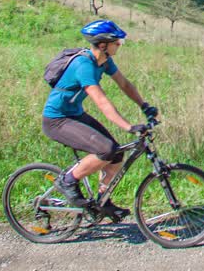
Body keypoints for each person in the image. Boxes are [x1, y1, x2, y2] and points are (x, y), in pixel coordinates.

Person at [42, 20, 158, 217]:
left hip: (75, 114)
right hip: (57, 120)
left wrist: (144, 106)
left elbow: (125, 84)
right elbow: (101, 101)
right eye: (116, 42)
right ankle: (67, 181)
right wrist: (128, 126)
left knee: (117, 154)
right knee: (106, 149)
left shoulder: (104, 61)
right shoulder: (83, 65)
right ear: (103, 45)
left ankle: (103, 202)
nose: (119, 45)